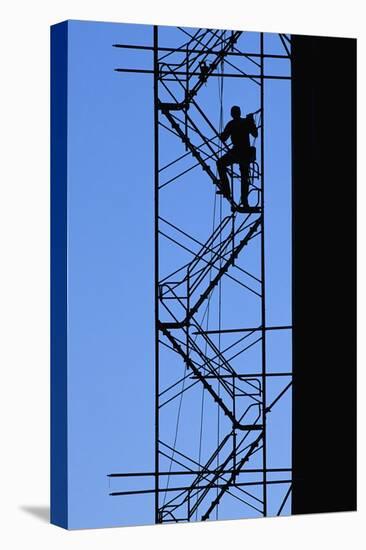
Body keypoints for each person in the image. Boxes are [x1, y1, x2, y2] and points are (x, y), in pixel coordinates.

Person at [216, 105, 258, 208]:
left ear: (232, 114)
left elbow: (223, 138)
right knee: (245, 177)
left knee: (220, 163)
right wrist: (251, 122)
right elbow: (255, 133)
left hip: (238, 151)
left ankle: (226, 190)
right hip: (244, 152)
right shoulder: (244, 122)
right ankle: (244, 200)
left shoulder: (232, 124)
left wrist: (221, 135)